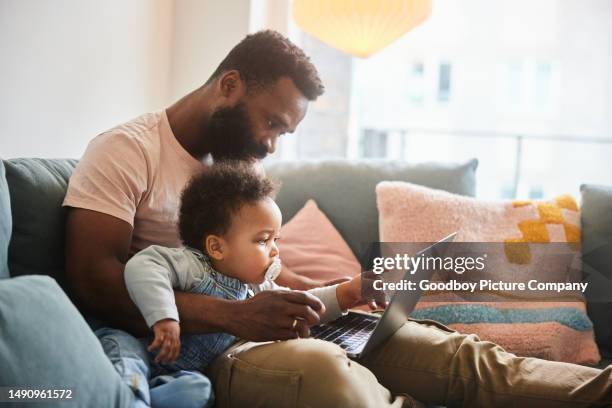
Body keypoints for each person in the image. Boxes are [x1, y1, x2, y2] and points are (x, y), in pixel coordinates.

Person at [64, 30, 612, 407]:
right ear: (229, 86)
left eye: (284, 132)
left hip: (265, 331)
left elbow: (267, 279)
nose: (273, 145)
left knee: (457, 353)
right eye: (272, 123)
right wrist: (238, 317)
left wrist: (344, 293)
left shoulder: (233, 168)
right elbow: (93, 279)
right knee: (332, 373)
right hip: (207, 354)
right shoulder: (126, 150)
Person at [101, 162, 373, 407]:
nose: (275, 251)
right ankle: (129, 399)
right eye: (263, 240)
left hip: (176, 372)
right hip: (136, 347)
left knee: (199, 391)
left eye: (276, 240)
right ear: (216, 247)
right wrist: (164, 317)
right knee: (128, 364)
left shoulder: (256, 289)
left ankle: (147, 398)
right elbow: (144, 266)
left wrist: (347, 293)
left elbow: (301, 305)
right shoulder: (194, 266)